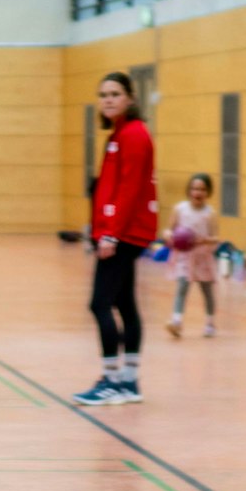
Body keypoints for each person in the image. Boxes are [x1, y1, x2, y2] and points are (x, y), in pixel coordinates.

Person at [72, 71, 158, 405]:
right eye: (103, 94)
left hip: (124, 233)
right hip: (120, 233)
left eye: (115, 93)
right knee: (124, 303)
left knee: (99, 303)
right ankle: (129, 381)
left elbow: (129, 189)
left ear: (130, 98)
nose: (108, 99)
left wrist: (111, 234)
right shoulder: (119, 134)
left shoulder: (134, 134)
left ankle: (110, 381)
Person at [166, 172, 220, 339]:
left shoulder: (210, 214)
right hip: (185, 257)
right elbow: (169, 229)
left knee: (207, 291)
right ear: (189, 191)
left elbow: (216, 238)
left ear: (208, 192)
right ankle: (176, 321)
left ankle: (210, 322)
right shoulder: (179, 209)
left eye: (202, 189)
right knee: (182, 287)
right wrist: (168, 236)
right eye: (195, 188)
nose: (198, 192)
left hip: (203, 257)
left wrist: (205, 240)